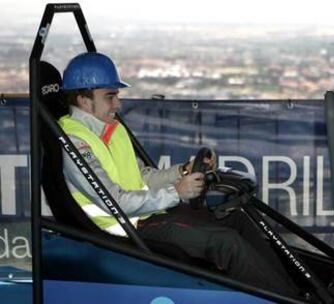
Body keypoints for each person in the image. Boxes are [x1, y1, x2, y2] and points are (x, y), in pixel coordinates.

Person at [59, 52, 299, 297]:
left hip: (147, 214)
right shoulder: (75, 143)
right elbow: (116, 202)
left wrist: (183, 170)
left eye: (116, 96)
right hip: (125, 227)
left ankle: (293, 292)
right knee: (226, 242)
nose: (118, 104)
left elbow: (143, 177)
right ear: (84, 100)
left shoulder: (112, 129)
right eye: (110, 97)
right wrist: (176, 193)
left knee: (238, 220)